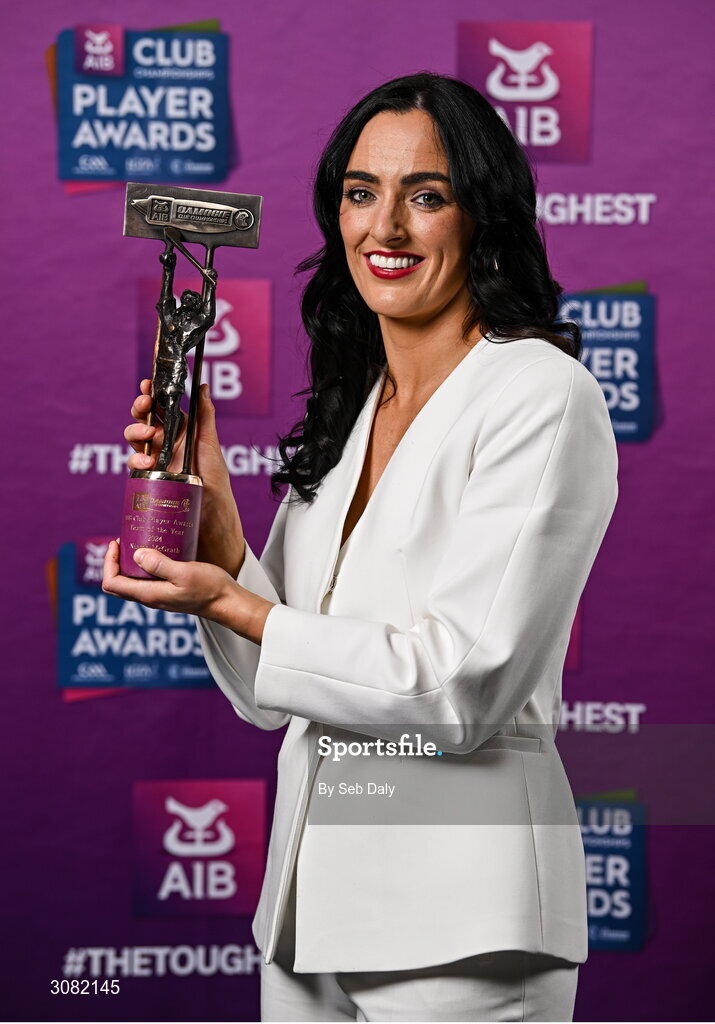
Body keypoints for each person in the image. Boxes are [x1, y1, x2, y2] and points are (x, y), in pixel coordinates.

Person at [103, 72, 619, 1022]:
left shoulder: (539, 395)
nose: (384, 227)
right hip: (305, 919)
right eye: (359, 192)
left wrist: (228, 599)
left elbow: (456, 688)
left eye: (425, 195)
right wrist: (214, 519)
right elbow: (277, 684)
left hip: (464, 929)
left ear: (482, 218)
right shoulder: (354, 410)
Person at [152, 241, 218, 470]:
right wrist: (169, 269)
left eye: (193, 300)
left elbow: (208, 315)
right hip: (160, 367)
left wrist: (211, 285)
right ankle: (173, 433)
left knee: (170, 406)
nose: (188, 299)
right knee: (156, 407)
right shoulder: (172, 318)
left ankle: (167, 451)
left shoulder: (193, 325)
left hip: (175, 369)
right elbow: (165, 300)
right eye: (186, 298)